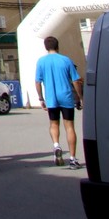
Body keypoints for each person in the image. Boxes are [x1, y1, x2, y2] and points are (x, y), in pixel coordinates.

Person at [34, 35, 84, 170]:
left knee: (53, 124)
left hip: (51, 98)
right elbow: (75, 80)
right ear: (57, 46)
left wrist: (41, 98)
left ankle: (56, 145)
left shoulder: (41, 62)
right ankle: (73, 159)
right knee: (69, 127)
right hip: (66, 96)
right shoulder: (66, 60)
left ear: (46, 47)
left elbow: (38, 82)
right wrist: (80, 97)